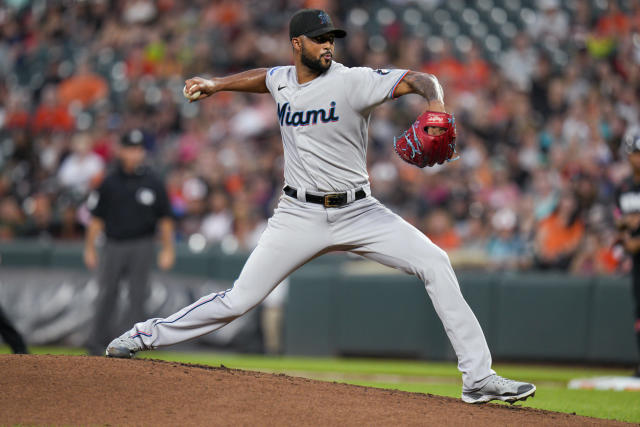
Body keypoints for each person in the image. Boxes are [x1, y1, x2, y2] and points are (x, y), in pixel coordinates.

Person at [106, 9, 536, 404]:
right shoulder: (283, 80)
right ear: (297, 44)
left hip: (359, 211)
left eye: (331, 38)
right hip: (298, 215)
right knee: (239, 299)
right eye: (318, 39)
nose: (327, 45)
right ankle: (145, 335)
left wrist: (436, 104)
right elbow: (266, 77)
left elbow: (420, 78)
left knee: (435, 261)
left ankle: (478, 377)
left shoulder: (352, 81)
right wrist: (218, 84)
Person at [84, 129, 175, 356]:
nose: (136, 153)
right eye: (131, 149)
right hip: (113, 244)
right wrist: (89, 248)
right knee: (107, 294)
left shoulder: (153, 181)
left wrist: (167, 249)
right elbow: (96, 219)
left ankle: (130, 344)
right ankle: (96, 344)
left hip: (142, 244)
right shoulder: (109, 181)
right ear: (121, 150)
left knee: (137, 295)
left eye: (139, 149)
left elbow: (165, 219)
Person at [614, 128, 640, 378]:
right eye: (635, 153)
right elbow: (617, 219)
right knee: (638, 311)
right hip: (636, 261)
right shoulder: (623, 186)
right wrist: (624, 231)